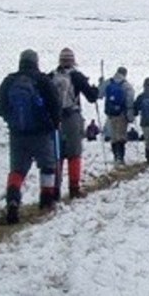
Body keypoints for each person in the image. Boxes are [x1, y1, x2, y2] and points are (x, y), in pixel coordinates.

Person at [0, 49, 62, 225]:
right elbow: (55, 105)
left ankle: (13, 201)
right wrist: (54, 123)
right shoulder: (43, 80)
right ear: (36, 62)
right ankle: (46, 201)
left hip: (17, 134)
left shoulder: (10, 80)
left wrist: (11, 118)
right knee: (47, 166)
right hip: (41, 133)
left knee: (17, 170)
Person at [49, 48, 99, 199]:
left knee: (57, 154)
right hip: (72, 117)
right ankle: (74, 188)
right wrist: (95, 90)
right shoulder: (77, 76)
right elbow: (91, 97)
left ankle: (54, 189)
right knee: (74, 153)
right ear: (72, 61)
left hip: (55, 119)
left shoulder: (51, 76)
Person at [100, 66, 135, 165]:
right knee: (121, 136)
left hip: (111, 114)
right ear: (125, 74)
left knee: (114, 136)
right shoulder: (126, 85)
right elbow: (130, 99)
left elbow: (99, 94)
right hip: (122, 114)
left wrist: (100, 83)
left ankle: (116, 156)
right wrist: (130, 115)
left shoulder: (108, 82)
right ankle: (121, 157)